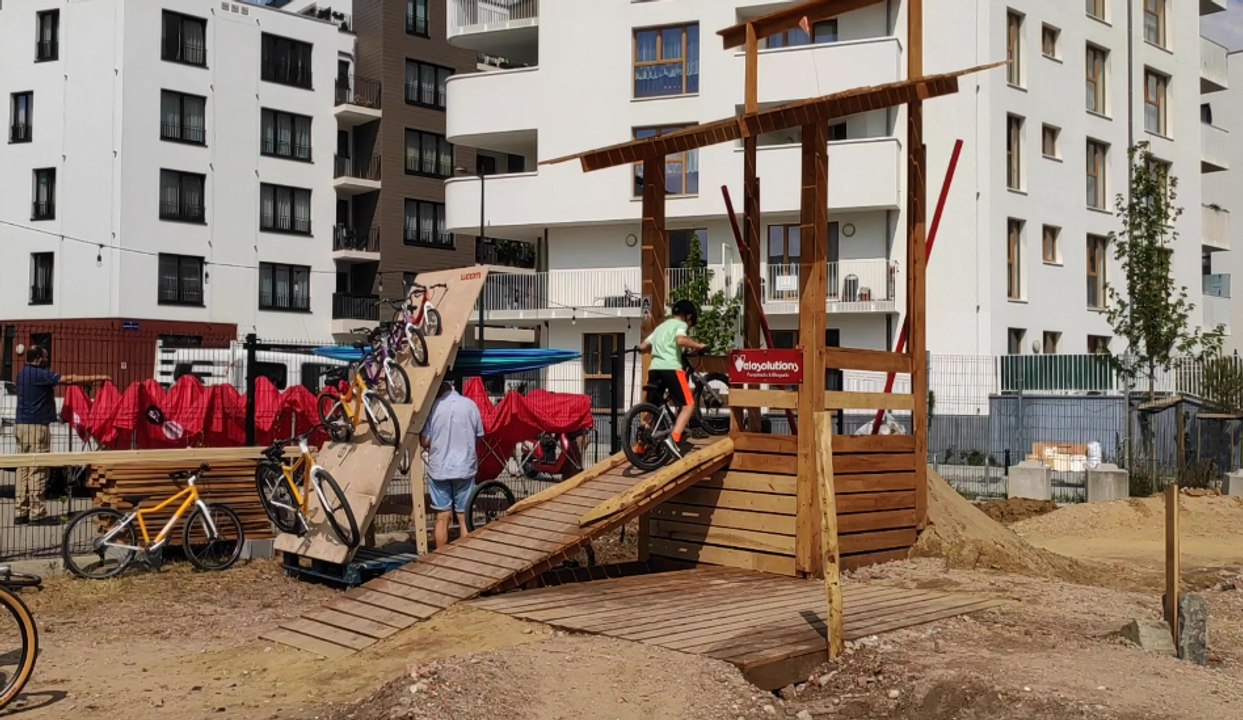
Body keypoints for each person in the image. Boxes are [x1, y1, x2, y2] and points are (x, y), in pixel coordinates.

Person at [14, 345, 108, 525]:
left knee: (22, 468)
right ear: (39, 358)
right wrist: (99, 377)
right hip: (37, 426)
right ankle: (37, 513)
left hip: (20, 424)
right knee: (38, 468)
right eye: (45, 357)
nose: (47, 361)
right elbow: (69, 379)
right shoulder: (39, 374)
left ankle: (21, 511)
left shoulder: (21, 373)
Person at [638, 299, 706, 459]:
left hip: (654, 369)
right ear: (688, 316)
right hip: (671, 369)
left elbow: (642, 347)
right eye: (690, 322)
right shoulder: (680, 325)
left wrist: (655, 349)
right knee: (688, 405)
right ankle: (674, 438)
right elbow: (681, 340)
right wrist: (699, 345)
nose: (689, 325)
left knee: (651, 408)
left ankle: (640, 446)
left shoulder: (660, 327)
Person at [420, 380, 484, 548]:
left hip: (439, 469)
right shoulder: (471, 405)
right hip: (465, 468)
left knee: (442, 517)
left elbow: (424, 440)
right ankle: (464, 558)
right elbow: (479, 434)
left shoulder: (433, 408)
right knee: (464, 517)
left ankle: (441, 558)